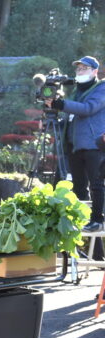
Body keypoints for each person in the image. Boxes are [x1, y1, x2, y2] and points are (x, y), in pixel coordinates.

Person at [45, 56, 105, 233]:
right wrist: (55, 107)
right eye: (78, 69)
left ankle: (97, 220)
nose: (80, 72)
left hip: (95, 145)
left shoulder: (101, 88)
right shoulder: (76, 92)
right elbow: (72, 117)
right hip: (75, 146)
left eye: (84, 69)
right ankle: (81, 221)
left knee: (96, 184)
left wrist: (60, 104)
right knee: (78, 187)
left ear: (95, 71)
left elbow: (88, 109)